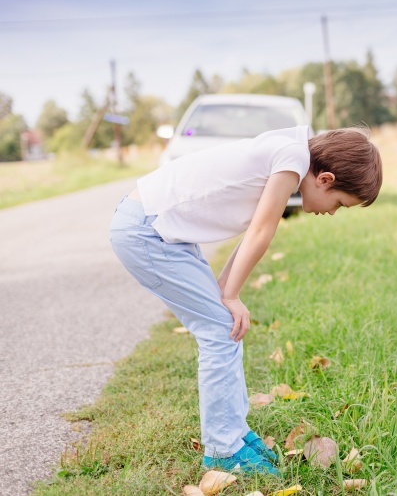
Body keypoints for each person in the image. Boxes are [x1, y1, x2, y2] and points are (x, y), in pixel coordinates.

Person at [108, 125, 382, 476]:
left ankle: (235, 434)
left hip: (160, 230)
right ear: (326, 179)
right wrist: (231, 295)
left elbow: (255, 225)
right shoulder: (293, 157)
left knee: (227, 325)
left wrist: (225, 291)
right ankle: (223, 450)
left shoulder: (291, 151)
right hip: (146, 231)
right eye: (340, 204)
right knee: (221, 330)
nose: (331, 212)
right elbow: (261, 231)